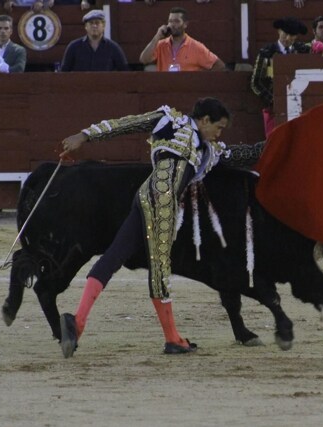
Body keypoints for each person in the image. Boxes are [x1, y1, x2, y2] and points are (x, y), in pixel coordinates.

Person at [57, 98, 232, 357]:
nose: (219, 134)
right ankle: (172, 339)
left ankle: (78, 321)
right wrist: (85, 135)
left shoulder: (207, 150)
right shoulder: (170, 119)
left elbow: (238, 154)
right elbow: (125, 124)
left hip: (144, 195)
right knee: (160, 268)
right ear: (204, 120)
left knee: (114, 255)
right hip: (162, 200)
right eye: (218, 127)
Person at [251, 17, 308, 137]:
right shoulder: (267, 52)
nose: (288, 38)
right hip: (274, 108)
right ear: (279, 31)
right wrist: (274, 100)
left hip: (299, 106)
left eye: (292, 35)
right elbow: (256, 83)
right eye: (285, 34)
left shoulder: (303, 51)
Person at [139, 7, 225, 72]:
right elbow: (144, 60)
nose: (172, 24)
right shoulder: (161, 44)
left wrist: (200, 79)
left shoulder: (196, 46)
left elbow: (219, 65)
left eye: (176, 21)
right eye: (170, 21)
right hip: (166, 89)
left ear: (185, 24)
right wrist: (156, 37)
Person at [59, 9, 128, 71]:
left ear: (103, 26)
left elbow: (125, 72)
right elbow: (63, 73)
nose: (94, 26)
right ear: (86, 26)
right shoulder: (74, 47)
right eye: (91, 23)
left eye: (97, 23)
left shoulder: (113, 48)